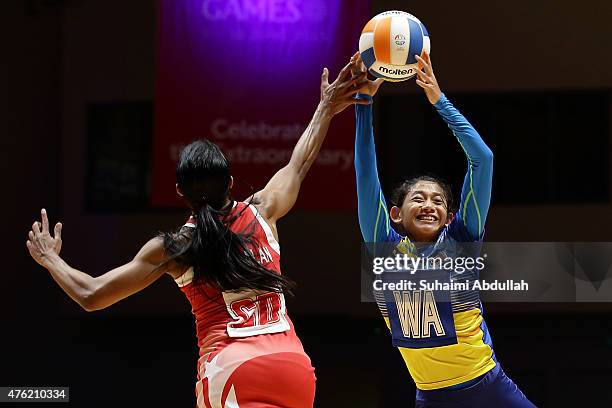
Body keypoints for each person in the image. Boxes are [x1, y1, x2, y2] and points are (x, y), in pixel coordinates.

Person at [26, 55, 369, 408]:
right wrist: (326, 106)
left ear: (179, 192)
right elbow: (301, 160)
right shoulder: (263, 210)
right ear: (231, 182)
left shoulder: (175, 247)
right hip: (293, 367)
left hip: (232, 370)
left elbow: (91, 294)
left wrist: (51, 258)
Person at [353, 52, 535, 407]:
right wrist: (363, 104)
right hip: (432, 397)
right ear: (395, 214)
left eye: (438, 201)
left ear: (449, 217)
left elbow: (483, 159)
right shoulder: (383, 247)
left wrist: (438, 99)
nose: (430, 205)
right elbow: (365, 174)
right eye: (418, 199)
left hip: (488, 388)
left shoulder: (462, 239)